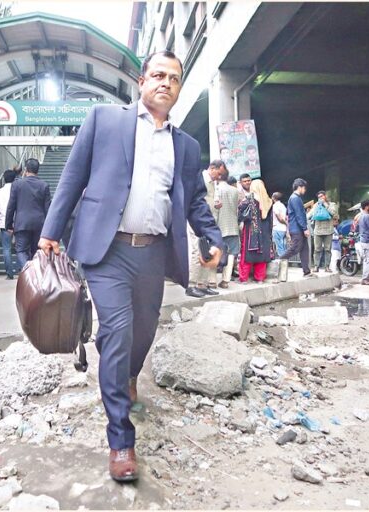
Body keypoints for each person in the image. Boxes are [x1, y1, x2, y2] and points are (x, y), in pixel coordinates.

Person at [37, 50, 222, 482]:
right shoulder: (105, 120)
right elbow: (72, 177)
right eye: (158, 75)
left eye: (174, 79)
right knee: (117, 331)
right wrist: (50, 232)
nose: (166, 83)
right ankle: (121, 438)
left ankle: (126, 374)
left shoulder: (187, 145)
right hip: (107, 250)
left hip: (153, 252)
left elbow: (194, 199)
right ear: (141, 81)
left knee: (144, 330)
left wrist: (212, 238)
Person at [186, 161, 225, 297]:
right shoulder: (200, 178)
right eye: (218, 173)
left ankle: (202, 285)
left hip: (207, 223)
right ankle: (191, 285)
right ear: (212, 168)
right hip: (195, 222)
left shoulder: (213, 183)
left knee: (207, 252)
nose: (219, 177)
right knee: (197, 251)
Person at [5, 158, 50, 270]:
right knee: (37, 252)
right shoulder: (44, 185)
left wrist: (9, 225)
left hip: (22, 224)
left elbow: (11, 206)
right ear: (37, 170)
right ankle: (36, 275)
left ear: (26, 170)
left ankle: (28, 271)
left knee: (21, 251)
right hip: (39, 225)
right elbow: (48, 209)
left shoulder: (17, 185)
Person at [238, 179, 273, 282]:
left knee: (247, 255)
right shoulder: (269, 201)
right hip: (265, 232)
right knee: (262, 256)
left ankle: (244, 278)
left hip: (251, 231)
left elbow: (240, 214)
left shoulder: (249, 199)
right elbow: (270, 220)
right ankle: (260, 278)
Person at [279, 178, 313, 280]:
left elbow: (288, 215)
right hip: (297, 229)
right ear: (299, 187)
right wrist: (305, 228)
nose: (305, 190)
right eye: (304, 188)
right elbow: (299, 215)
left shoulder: (292, 198)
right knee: (294, 249)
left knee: (304, 250)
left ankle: (306, 271)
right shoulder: (295, 198)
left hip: (296, 228)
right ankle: (279, 261)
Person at [0, 170, 18, 279]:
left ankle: (10, 273)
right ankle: (22, 270)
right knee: (21, 248)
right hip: (18, 223)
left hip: (4, 224)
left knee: (6, 249)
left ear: (4, 178)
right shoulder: (18, 190)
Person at [216, 174, 240, 288]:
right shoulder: (235, 191)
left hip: (219, 226)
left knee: (216, 252)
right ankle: (225, 280)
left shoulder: (217, 190)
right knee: (231, 254)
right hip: (233, 227)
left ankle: (211, 281)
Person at [307, 190, 338, 272]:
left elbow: (334, 214)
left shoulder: (332, 205)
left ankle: (327, 266)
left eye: (322, 196)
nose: (320, 198)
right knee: (317, 249)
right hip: (318, 230)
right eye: (319, 197)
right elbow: (309, 215)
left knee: (328, 249)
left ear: (325, 196)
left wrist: (325, 204)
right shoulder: (316, 205)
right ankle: (316, 266)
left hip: (328, 230)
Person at [271, 192, 288, 258]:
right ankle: (285, 261)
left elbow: (279, 218)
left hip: (277, 228)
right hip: (283, 229)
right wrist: (286, 224)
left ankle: (282, 261)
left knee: (279, 247)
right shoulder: (282, 205)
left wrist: (285, 223)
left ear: (273, 198)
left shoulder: (275, 206)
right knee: (283, 246)